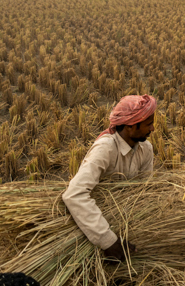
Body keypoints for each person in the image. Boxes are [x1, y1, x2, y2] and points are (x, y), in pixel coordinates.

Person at [62, 94, 157, 262]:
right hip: (96, 222)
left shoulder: (146, 149)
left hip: (125, 219)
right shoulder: (105, 149)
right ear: (130, 127)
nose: (152, 129)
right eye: (148, 124)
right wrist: (108, 241)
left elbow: (144, 192)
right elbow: (74, 194)